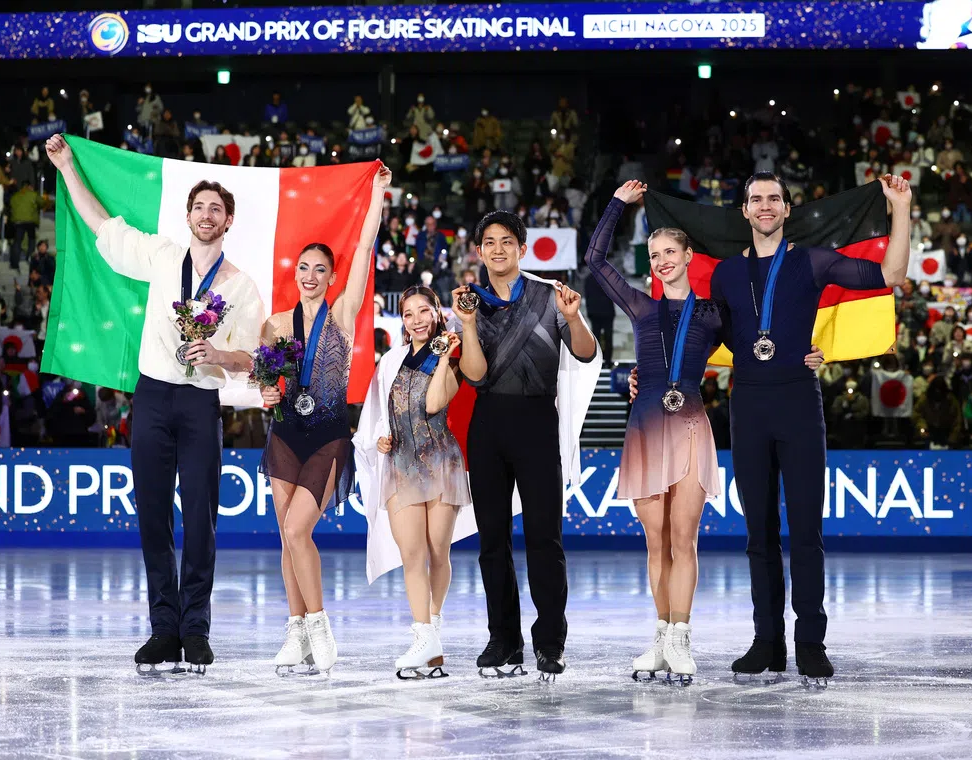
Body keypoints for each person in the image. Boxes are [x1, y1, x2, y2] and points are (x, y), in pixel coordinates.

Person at [45, 133, 266, 675]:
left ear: (228, 220)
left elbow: (256, 359)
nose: (206, 215)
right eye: (199, 207)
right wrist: (68, 166)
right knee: (151, 516)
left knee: (201, 518)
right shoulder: (164, 256)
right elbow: (103, 227)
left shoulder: (241, 285)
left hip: (200, 403)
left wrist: (218, 352)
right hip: (153, 396)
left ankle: (196, 630)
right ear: (189, 216)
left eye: (216, 208)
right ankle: (163, 628)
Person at [598, 182, 824, 680]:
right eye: (654, 254)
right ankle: (660, 638)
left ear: (688, 256)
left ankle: (681, 638)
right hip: (646, 430)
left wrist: (805, 354)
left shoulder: (711, 312)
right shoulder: (639, 307)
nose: (661, 261)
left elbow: (759, 336)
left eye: (670, 252)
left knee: (685, 540)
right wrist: (616, 205)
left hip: (690, 429)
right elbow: (596, 260)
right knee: (655, 543)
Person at [709, 172, 910, 683]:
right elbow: (708, 336)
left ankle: (809, 642)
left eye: (774, 198)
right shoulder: (727, 275)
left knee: (806, 533)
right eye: (756, 199)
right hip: (748, 406)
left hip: (799, 403)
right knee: (758, 535)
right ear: (745, 211)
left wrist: (901, 208)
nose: (765, 206)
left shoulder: (813, 260)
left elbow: (888, 275)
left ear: (787, 208)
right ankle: (766, 641)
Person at [451, 209, 600, 680]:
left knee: (544, 538)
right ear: (479, 251)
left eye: (507, 242)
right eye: (489, 242)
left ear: (522, 248)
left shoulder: (550, 297)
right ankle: (504, 640)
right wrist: (468, 326)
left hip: (537, 421)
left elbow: (586, 351)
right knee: (492, 539)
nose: (498, 249)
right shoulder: (468, 304)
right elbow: (473, 375)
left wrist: (574, 319)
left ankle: (550, 642)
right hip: (488, 421)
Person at [256, 162, 390, 676]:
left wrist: (376, 195)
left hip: (330, 437)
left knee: (296, 531)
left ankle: (318, 624)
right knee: (287, 536)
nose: (311, 277)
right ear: (296, 275)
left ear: (331, 279)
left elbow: (363, 248)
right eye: (304, 269)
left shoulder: (341, 314)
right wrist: (266, 389)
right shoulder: (274, 324)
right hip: (285, 435)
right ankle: (297, 632)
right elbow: (263, 378)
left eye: (320, 271)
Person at [353, 286, 473, 678]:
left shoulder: (454, 359)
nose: (417, 319)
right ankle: (423, 637)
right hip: (401, 464)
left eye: (424, 311)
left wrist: (443, 356)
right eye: (409, 314)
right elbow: (377, 413)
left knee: (438, 551)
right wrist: (380, 438)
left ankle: (432, 630)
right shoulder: (390, 361)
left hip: (441, 462)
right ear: (402, 321)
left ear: (437, 313)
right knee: (412, 555)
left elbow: (436, 403)